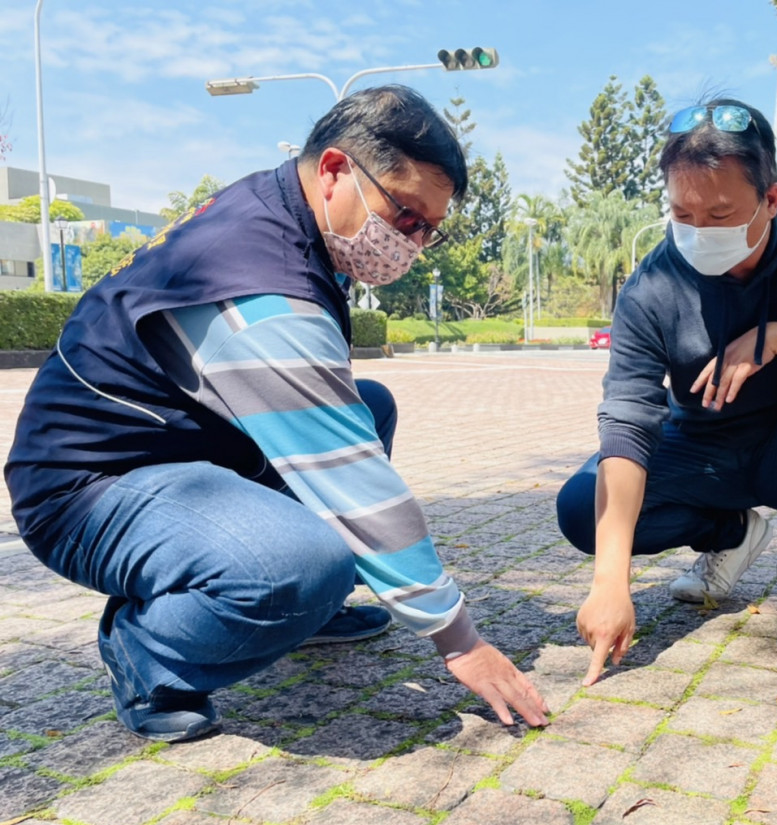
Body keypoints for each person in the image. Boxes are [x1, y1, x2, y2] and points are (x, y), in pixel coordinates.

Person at [5, 86, 548, 742]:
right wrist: (459, 641)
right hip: (86, 488)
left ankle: (304, 614)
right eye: (406, 216)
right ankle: (148, 652)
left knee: (368, 409)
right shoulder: (260, 285)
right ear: (335, 171)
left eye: (430, 230)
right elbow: (353, 483)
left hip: (175, 456)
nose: (415, 244)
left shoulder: (276, 210)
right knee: (302, 564)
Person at [556, 99, 777, 686]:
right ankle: (733, 533)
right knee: (582, 508)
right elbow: (628, 422)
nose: (698, 231)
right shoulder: (653, 284)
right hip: (704, 451)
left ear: (770, 200)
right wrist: (610, 583)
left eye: (721, 213)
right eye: (682, 213)